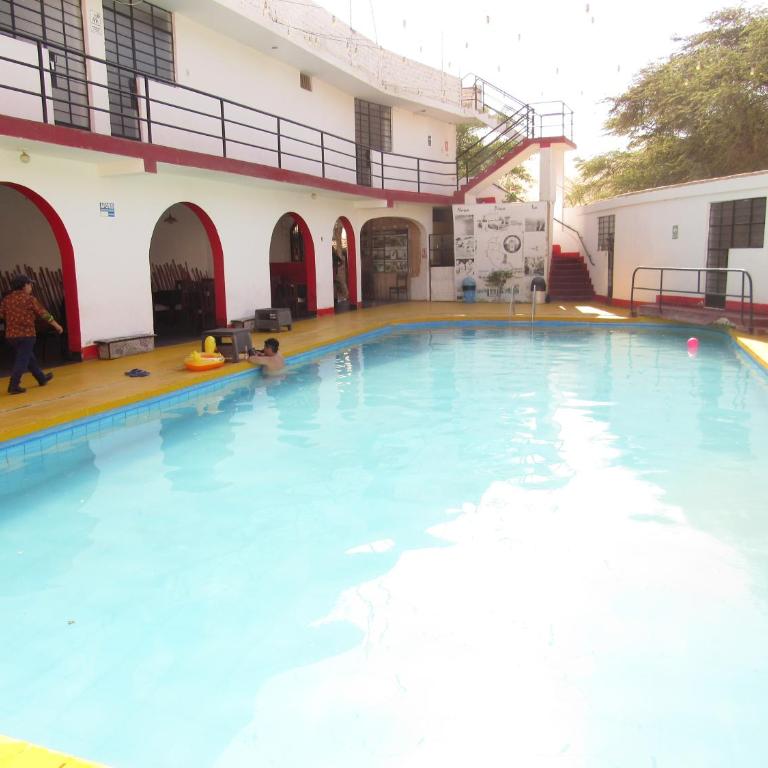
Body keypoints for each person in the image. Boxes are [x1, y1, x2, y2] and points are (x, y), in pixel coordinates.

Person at [0, 274, 63, 395]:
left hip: (11, 336)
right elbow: (43, 314)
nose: (31, 286)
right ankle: (14, 385)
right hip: (27, 335)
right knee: (22, 359)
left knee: (28, 357)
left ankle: (41, 378)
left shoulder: (7, 299)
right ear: (24, 286)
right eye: (29, 284)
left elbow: (2, 315)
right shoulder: (29, 299)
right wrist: (57, 325)